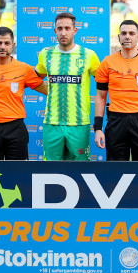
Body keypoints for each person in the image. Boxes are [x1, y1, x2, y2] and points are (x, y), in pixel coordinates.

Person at [0, 27, 48, 160]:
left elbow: (47, 90)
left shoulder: (24, 69)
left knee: (18, 171)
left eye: (7, 43)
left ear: (13, 45)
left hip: (16, 129)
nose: (2, 47)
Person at [94, 20, 138, 161]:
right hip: (116, 121)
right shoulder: (107, 63)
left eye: (132, 33)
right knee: (116, 169)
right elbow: (100, 97)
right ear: (118, 37)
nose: (127, 36)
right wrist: (98, 129)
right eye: (124, 33)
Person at [35, 12, 100, 161]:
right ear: (55, 31)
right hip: (52, 122)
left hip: (79, 123)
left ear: (75, 30)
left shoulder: (88, 55)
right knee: (50, 169)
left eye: (67, 28)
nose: (63, 33)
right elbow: (34, 79)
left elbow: (103, 82)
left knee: (81, 169)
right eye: (60, 29)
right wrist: (50, 90)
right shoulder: (45, 54)